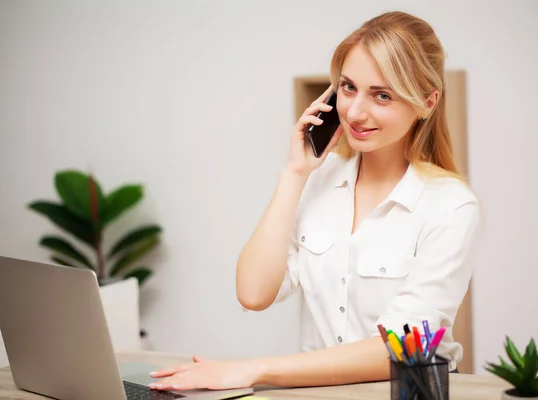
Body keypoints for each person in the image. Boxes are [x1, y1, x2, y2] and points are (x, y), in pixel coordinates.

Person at [149, 10, 481, 392]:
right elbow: (254, 293)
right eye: (348, 87)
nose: (355, 112)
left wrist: (252, 370)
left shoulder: (450, 206)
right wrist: (294, 174)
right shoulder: (319, 181)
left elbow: (403, 349)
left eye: (382, 95)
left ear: (427, 101)